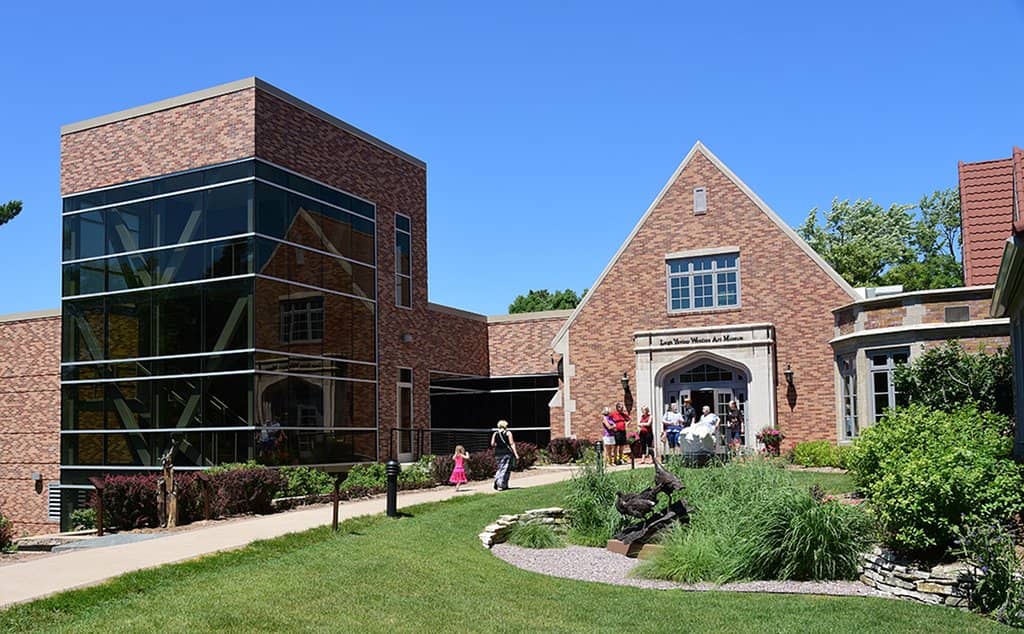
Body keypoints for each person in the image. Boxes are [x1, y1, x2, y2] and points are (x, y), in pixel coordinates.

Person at [491, 420, 519, 491]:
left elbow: (492, 444)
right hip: (506, 453)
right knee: (505, 469)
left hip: (498, 453)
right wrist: (516, 454)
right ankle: (500, 483)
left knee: (500, 468)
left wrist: (498, 444)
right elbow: (512, 444)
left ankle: (499, 481)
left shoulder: (495, 433)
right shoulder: (508, 433)